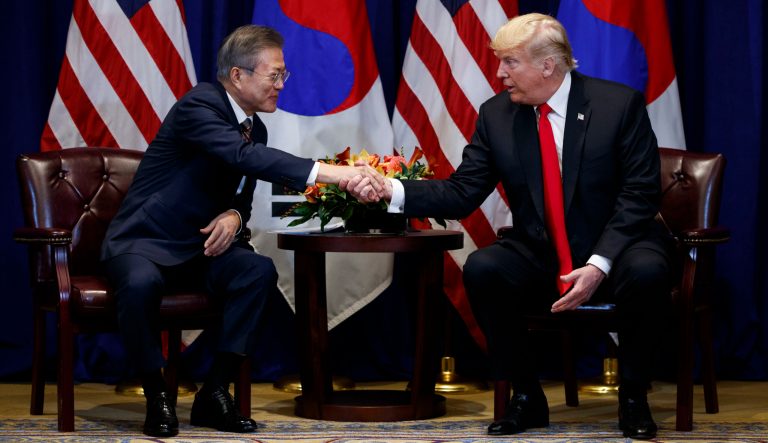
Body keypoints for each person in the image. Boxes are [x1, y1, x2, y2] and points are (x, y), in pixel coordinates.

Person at [344, 13, 673, 440]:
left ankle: (633, 396)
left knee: (649, 270)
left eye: (509, 63)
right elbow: (463, 192)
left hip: (619, 245)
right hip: (542, 248)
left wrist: (597, 263)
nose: (499, 74)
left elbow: (639, 195)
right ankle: (525, 395)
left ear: (547, 66)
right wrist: (391, 191)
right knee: (485, 267)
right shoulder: (497, 115)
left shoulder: (618, 105)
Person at [101, 25, 383, 438]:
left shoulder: (255, 126)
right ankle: (156, 393)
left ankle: (215, 390)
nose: (282, 85)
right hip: (146, 242)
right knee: (140, 282)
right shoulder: (199, 104)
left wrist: (234, 213)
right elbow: (241, 156)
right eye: (276, 75)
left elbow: (242, 189)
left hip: (201, 248)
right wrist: (335, 175)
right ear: (238, 76)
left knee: (257, 272)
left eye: (283, 75)